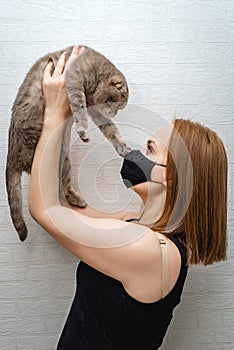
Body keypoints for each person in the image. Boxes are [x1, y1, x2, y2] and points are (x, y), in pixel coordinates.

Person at [28, 46, 228, 350]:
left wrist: (55, 113)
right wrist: (69, 115)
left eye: (150, 149)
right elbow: (60, 204)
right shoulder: (134, 226)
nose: (135, 153)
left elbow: (45, 210)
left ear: (170, 177)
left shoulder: (152, 251)